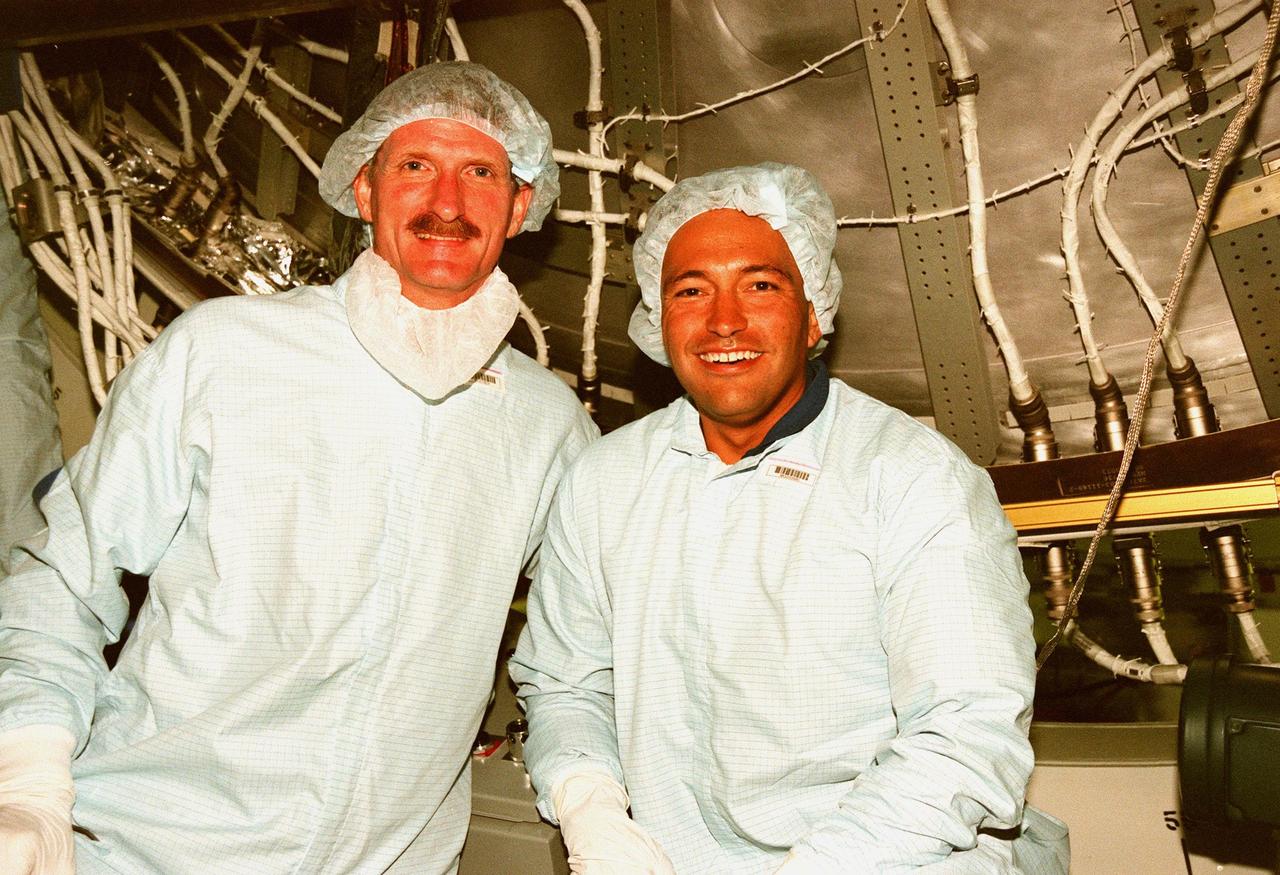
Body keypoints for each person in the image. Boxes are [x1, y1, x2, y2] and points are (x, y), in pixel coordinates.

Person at [0, 62, 597, 874]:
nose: (447, 202)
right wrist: (30, 780)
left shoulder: (549, 427)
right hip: (154, 849)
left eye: (481, 172)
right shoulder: (222, 352)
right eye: (414, 165)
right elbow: (64, 580)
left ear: (521, 204)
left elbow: (577, 653)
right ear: (362, 187)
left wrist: (595, 806)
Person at [510, 163, 1070, 873]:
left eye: (762, 285)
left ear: (813, 315)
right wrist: (588, 802)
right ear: (657, 318)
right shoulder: (603, 481)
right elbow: (565, 681)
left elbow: (964, 736)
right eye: (691, 291)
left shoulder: (913, 478)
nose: (724, 322)